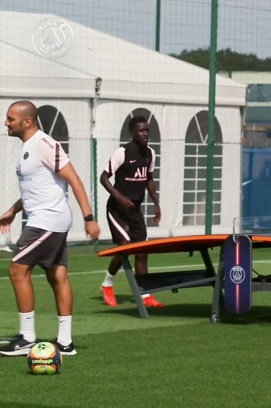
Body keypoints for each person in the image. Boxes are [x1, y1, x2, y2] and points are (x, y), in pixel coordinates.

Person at [0, 100, 100, 356]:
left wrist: (89, 218)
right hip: (45, 218)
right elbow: (39, 188)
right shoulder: (28, 149)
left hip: (48, 220)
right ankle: (65, 342)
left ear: (27, 121)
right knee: (57, 276)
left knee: (17, 270)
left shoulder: (45, 144)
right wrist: (13, 210)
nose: (6, 123)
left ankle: (27, 338)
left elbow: (74, 179)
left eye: (10, 119)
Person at [99, 116, 164, 308]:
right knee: (125, 247)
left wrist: (156, 203)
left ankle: (145, 295)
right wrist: (119, 196)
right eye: (141, 131)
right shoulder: (122, 153)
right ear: (132, 133)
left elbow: (149, 179)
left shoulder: (150, 154)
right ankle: (107, 284)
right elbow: (104, 178)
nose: (145, 134)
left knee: (142, 252)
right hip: (117, 210)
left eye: (147, 131)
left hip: (135, 210)